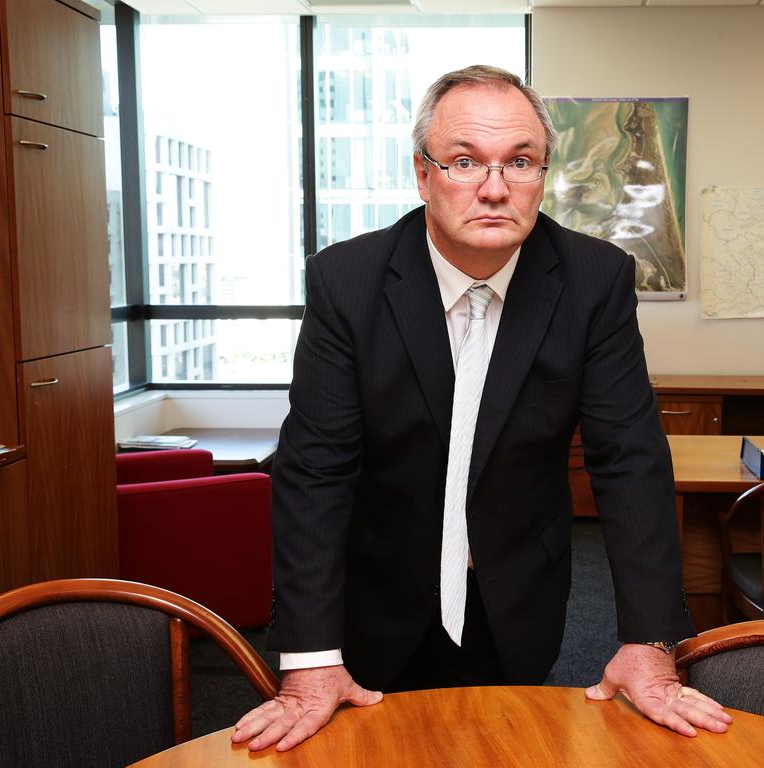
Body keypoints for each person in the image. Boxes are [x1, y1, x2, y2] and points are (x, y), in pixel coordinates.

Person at [233, 65, 731, 752]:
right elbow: (316, 471)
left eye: (519, 162)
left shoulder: (593, 281)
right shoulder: (346, 282)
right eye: (466, 161)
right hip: (373, 595)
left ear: (543, 172)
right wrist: (311, 657)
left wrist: (648, 641)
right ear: (423, 173)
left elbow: (630, 460)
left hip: (517, 592)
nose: (495, 188)